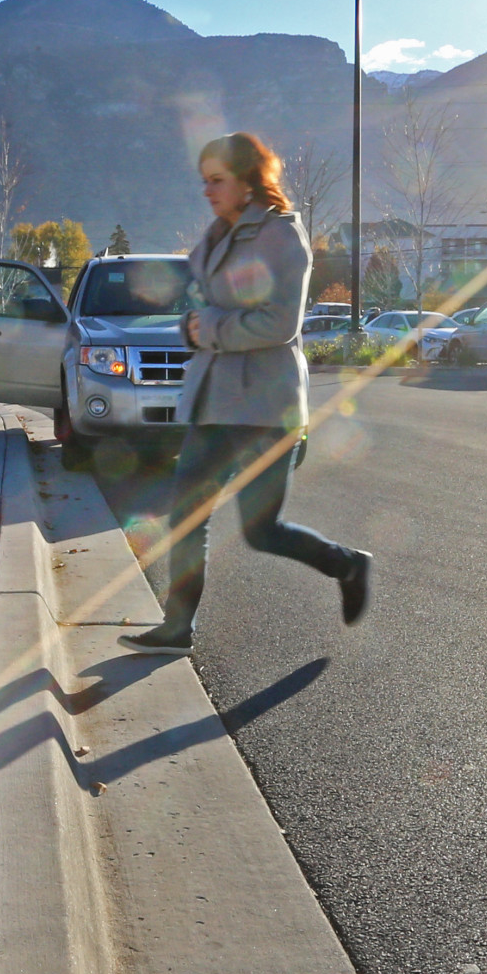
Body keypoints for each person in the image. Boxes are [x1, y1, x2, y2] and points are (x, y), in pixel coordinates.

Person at [120, 133, 369, 654]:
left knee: (262, 531)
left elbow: (279, 323)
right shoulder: (215, 237)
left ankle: (347, 564)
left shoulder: (281, 237)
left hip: (263, 408)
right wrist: (189, 327)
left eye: (217, 180)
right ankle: (176, 627)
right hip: (211, 402)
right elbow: (196, 309)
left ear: (247, 181)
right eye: (204, 181)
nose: (207, 191)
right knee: (186, 515)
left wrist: (204, 328)